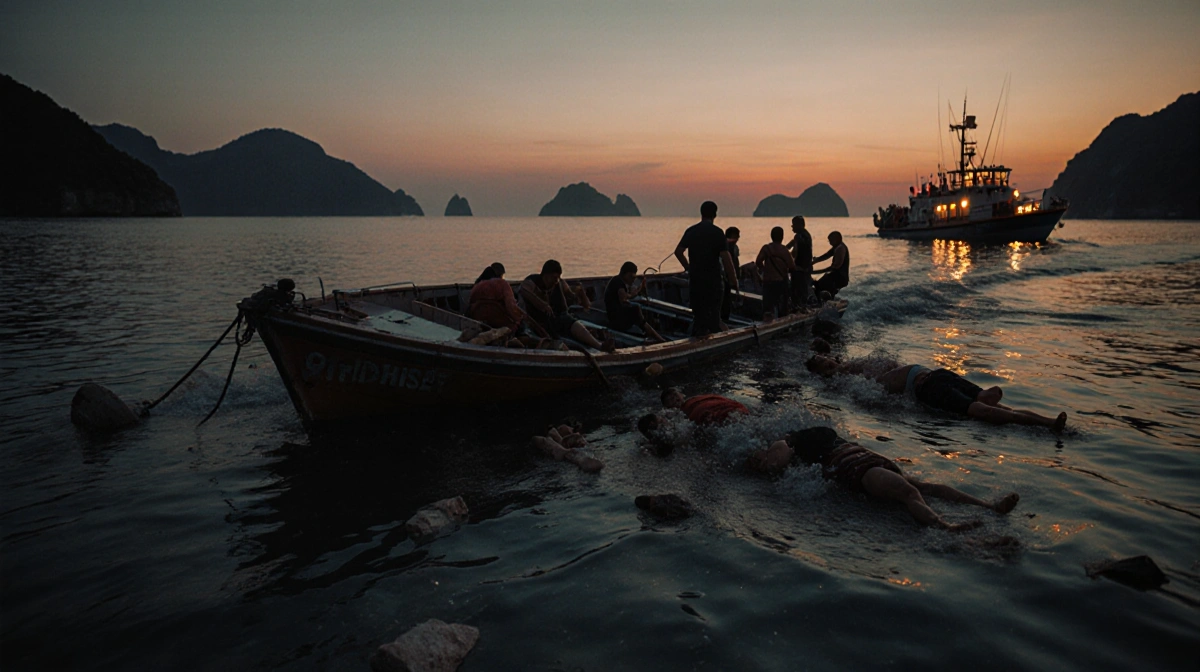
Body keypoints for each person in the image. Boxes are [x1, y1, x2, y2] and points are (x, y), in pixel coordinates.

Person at [747, 426, 1020, 531]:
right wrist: (767, 460)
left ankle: (988, 507)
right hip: (857, 467)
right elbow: (778, 457)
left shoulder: (801, 438)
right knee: (911, 493)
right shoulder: (789, 441)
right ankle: (945, 526)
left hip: (866, 459)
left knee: (920, 487)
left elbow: (776, 460)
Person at [806, 355, 1068, 432]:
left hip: (937, 374)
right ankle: (1047, 423)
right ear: (823, 375)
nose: (829, 364)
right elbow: (871, 401)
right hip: (928, 388)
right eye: (824, 366)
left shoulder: (855, 363)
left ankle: (986, 396)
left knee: (986, 402)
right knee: (984, 411)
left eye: (826, 359)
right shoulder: (846, 381)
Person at [520, 260, 615, 352]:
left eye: (558, 278)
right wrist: (541, 304)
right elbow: (524, 291)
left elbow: (571, 294)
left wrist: (581, 294)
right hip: (540, 321)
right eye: (554, 278)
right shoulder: (532, 281)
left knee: (571, 321)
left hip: (559, 317)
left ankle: (599, 344)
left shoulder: (559, 283)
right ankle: (598, 344)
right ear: (546, 275)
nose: (556, 281)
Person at [674, 201, 738, 336]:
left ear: (701, 213)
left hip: (696, 281)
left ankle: (698, 339)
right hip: (713, 282)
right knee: (714, 317)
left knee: (699, 317)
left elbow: (678, 252)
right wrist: (733, 280)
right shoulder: (718, 233)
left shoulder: (691, 231)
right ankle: (715, 345)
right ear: (715, 214)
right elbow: (726, 259)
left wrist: (688, 268)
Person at [604, 261, 666, 343]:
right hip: (616, 320)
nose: (633, 280)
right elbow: (623, 298)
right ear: (627, 274)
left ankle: (650, 332)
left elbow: (625, 299)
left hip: (614, 316)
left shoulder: (617, 280)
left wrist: (637, 291)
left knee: (638, 308)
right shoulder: (618, 283)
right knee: (636, 309)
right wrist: (635, 293)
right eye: (632, 277)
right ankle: (657, 338)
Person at [467, 262, 524, 333]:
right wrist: (521, 318)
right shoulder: (502, 284)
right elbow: (511, 307)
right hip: (501, 324)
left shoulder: (476, 286)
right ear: (500, 274)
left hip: (479, 323)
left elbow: (469, 305)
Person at [755, 226, 795, 319]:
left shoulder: (766, 248)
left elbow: (758, 261)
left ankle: (767, 324)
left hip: (768, 281)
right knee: (783, 308)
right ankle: (782, 325)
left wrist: (765, 269)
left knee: (768, 307)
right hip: (781, 281)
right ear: (782, 237)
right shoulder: (784, 250)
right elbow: (792, 266)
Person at [785, 216, 813, 309]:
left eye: (794, 225)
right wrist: (785, 248)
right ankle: (804, 306)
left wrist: (789, 262)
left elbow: (795, 251)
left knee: (796, 289)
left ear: (800, 225)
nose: (792, 227)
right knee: (804, 288)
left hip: (800, 267)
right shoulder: (806, 234)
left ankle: (797, 308)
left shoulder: (799, 236)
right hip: (807, 266)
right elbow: (792, 244)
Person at [812, 230, 850, 298]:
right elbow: (827, 255)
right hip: (835, 275)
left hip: (839, 278)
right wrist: (815, 260)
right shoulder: (836, 246)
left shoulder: (840, 248)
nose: (830, 243)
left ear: (837, 239)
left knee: (818, 285)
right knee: (818, 283)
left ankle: (821, 302)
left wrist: (815, 272)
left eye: (831, 240)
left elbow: (834, 268)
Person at [721, 226, 742, 322]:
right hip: (725, 278)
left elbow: (735, 262)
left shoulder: (733, 247)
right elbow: (731, 263)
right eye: (737, 236)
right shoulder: (727, 246)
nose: (738, 238)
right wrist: (734, 280)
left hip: (726, 277)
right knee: (725, 304)